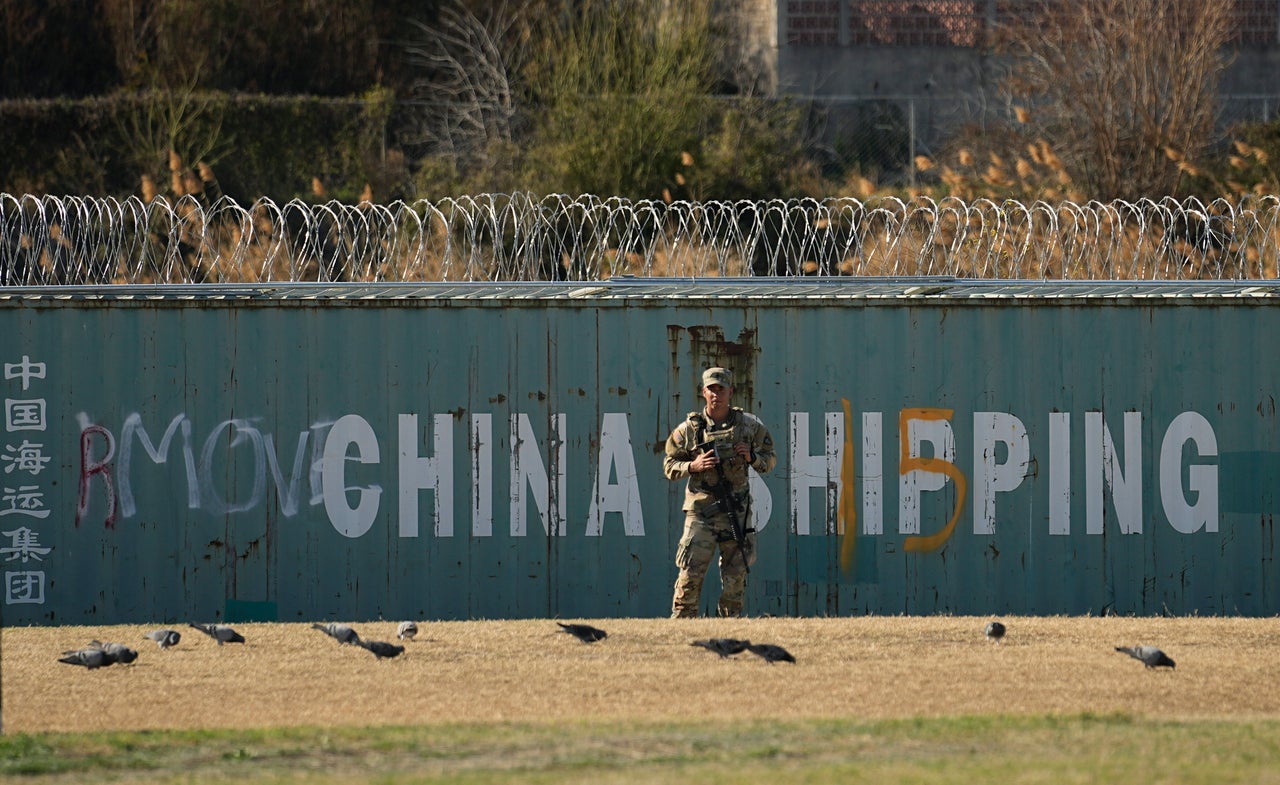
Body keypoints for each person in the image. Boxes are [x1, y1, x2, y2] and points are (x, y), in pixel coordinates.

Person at [663, 367, 776, 618]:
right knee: (690, 575)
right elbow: (669, 466)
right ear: (704, 392)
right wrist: (693, 466)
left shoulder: (748, 426)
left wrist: (752, 457)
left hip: (736, 513)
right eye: (711, 389)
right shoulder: (690, 429)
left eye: (721, 389)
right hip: (701, 514)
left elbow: (770, 460)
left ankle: (729, 629)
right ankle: (682, 629)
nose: (717, 394)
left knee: (735, 579)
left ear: (730, 391)